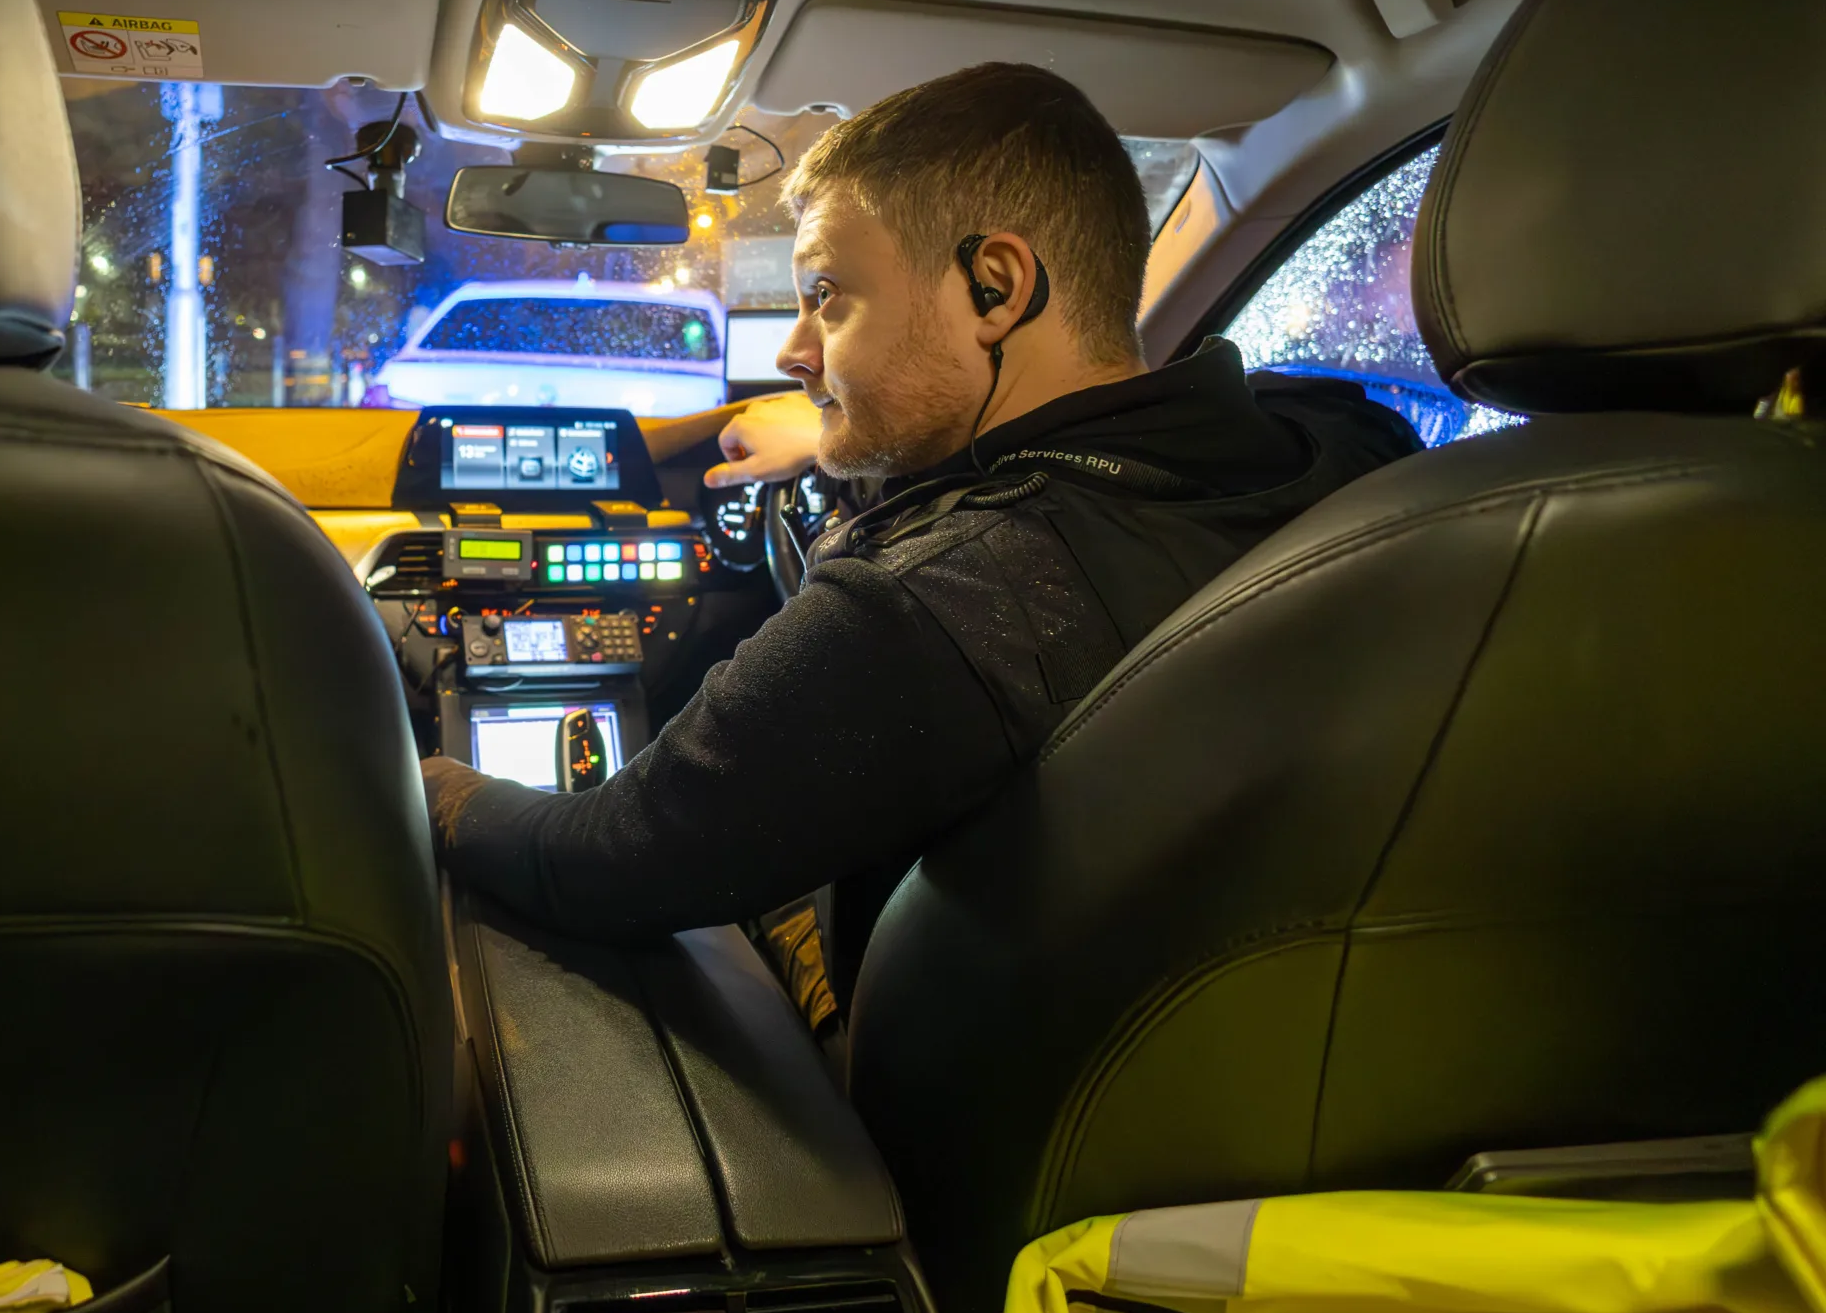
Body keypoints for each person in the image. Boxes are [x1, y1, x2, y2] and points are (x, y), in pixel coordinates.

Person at [421, 63, 1420, 1025]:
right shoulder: (1350, 447)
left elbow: (596, 857)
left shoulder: (927, 600)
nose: (791, 349)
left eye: (827, 296)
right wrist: (851, 439)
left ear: (994, 286)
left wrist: (431, 783)